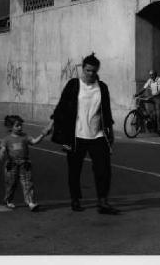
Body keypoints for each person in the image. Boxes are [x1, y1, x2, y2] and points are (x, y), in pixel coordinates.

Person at [51, 53, 119, 214]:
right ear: (83, 69)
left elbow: (106, 112)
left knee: (104, 169)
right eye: (88, 70)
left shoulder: (102, 87)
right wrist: (51, 125)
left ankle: (103, 202)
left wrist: (110, 132)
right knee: (74, 169)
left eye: (94, 71)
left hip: (98, 135)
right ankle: (75, 199)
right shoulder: (73, 85)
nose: (91, 74)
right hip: (76, 136)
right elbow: (61, 108)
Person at [0, 115, 51, 211]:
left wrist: (42, 135)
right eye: (17, 125)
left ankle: (30, 203)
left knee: (27, 183)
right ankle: (8, 200)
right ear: (10, 127)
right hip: (12, 164)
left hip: (24, 164)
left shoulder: (25, 136)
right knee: (11, 184)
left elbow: (34, 141)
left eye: (21, 125)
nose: (20, 127)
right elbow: (2, 148)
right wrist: (2, 153)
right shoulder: (6, 139)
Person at [135, 69, 160, 136]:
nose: (151, 76)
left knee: (158, 113)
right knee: (141, 100)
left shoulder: (159, 79)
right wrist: (137, 94)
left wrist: (152, 96)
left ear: (155, 74)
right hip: (152, 97)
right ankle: (146, 115)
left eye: (152, 75)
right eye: (150, 75)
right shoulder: (150, 80)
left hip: (159, 98)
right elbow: (144, 88)